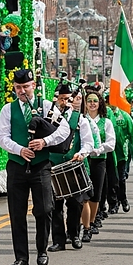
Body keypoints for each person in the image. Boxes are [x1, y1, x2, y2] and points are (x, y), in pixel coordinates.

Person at [0, 68, 70, 265]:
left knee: (44, 209)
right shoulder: (7, 110)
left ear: (33, 86)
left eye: (26, 87)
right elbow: (2, 137)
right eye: (18, 87)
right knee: (17, 213)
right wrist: (19, 150)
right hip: (17, 166)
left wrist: (44, 142)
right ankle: (21, 257)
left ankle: (42, 251)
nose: (22, 91)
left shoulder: (46, 106)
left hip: (41, 166)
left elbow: (64, 130)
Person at [48, 83, 93, 252]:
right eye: (61, 99)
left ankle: (74, 235)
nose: (64, 102)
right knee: (55, 206)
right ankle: (58, 240)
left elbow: (89, 142)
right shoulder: (48, 116)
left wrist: (81, 153)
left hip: (72, 166)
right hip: (53, 166)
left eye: (67, 99)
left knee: (75, 204)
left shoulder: (79, 118)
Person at [81, 89, 115, 242]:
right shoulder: (82, 120)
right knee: (83, 194)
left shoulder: (106, 122)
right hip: (84, 160)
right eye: (89, 101)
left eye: (95, 101)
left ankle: (92, 221)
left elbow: (111, 143)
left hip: (99, 160)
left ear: (100, 103)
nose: (92, 104)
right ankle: (84, 224)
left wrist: (100, 148)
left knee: (96, 193)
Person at [108, 98, 133, 213]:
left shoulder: (124, 116)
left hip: (121, 154)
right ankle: (113, 204)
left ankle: (123, 200)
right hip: (107, 154)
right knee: (110, 180)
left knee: (120, 179)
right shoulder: (103, 116)